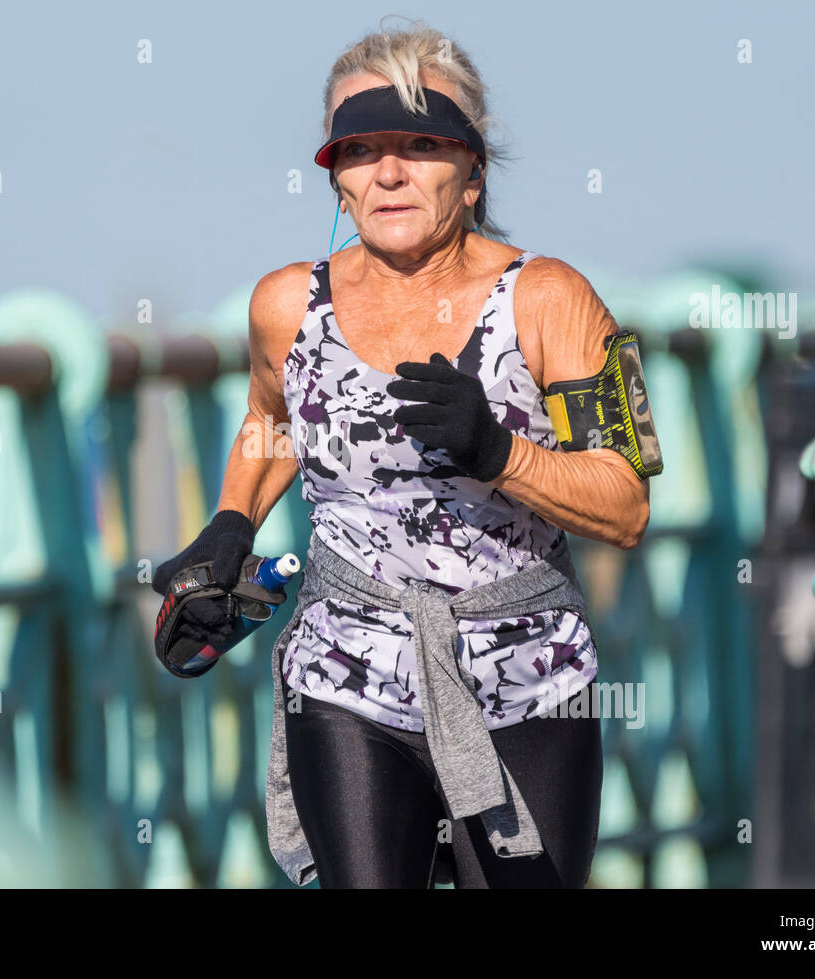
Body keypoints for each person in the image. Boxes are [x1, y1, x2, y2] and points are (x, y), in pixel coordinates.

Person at [153, 22, 655, 888]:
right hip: (347, 666)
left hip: (523, 675)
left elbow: (626, 504)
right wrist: (231, 525)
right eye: (361, 149)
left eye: (422, 144)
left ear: (472, 171)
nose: (389, 171)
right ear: (338, 181)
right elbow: (272, 418)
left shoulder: (549, 300)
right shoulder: (285, 304)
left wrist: (499, 452)